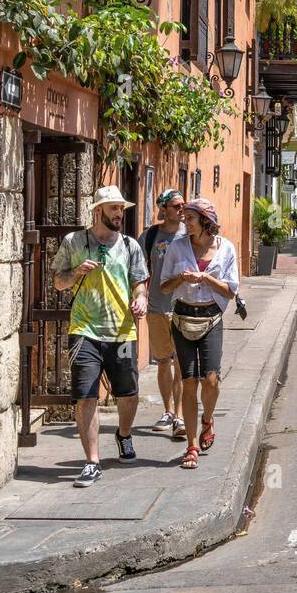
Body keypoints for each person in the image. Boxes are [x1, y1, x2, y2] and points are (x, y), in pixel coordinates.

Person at [51, 186, 149, 487]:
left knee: (128, 393)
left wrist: (141, 298)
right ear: (99, 211)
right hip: (84, 329)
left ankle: (123, 434)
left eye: (121, 209)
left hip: (121, 330)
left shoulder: (131, 245)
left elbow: (139, 283)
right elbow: (57, 282)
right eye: (113, 209)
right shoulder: (74, 242)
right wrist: (76, 272)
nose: (119, 214)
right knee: (85, 396)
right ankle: (92, 461)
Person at [160, 198, 239, 470]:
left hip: (211, 318)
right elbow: (165, 287)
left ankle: (208, 418)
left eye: (190, 218)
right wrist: (181, 277)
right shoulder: (176, 247)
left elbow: (230, 291)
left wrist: (207, 279)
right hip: (182, 318)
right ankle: (192, 445)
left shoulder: (226, 248)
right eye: (185, 219)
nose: (185, 222)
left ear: (205, 220)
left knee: (211, 380)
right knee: (189, 381)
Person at [139, 189, 187, 439]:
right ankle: (167, 411)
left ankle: (180, 415)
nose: (181, 209)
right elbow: (137, 270)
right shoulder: (149, 237)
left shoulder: (189, 235)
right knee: (162, 362)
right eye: (176, 206)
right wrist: (139, 296)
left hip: (183, 308)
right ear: (164, 209)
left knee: (180, 363)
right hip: (157, 307)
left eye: (183, 205)